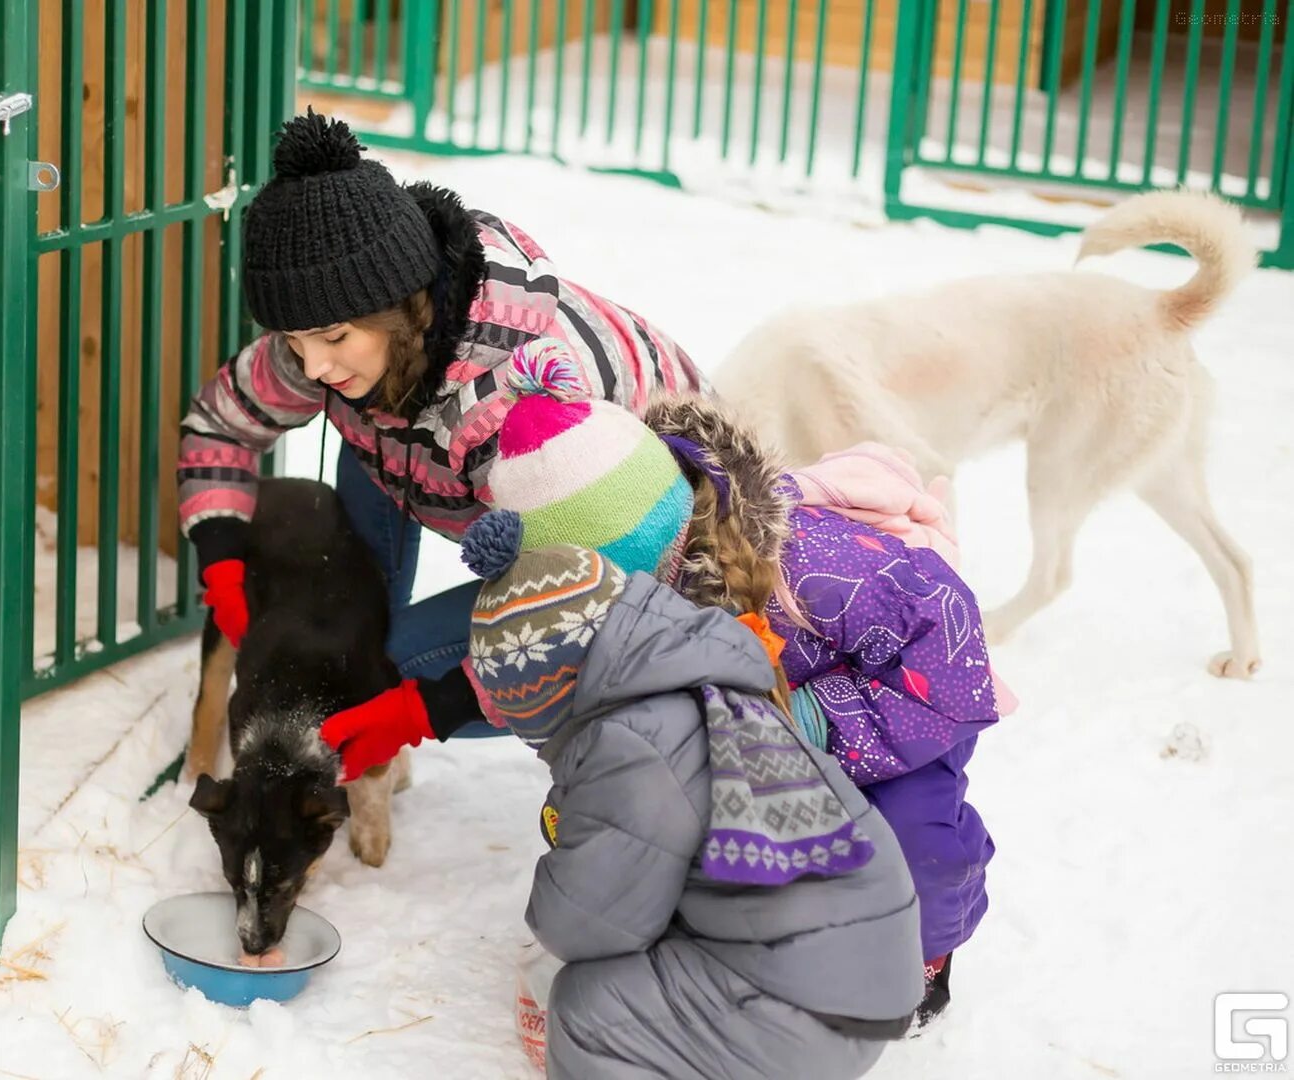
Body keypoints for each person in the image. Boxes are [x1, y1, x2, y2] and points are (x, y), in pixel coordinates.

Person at [176, 110, 704, 770]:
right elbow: (221, 421)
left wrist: (433, 706)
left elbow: (598, 603)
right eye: (294, 341)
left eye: (333, 338)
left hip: (654, 544)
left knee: (393, 664)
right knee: (364, 441)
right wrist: (221, 553)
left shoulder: (517, 409)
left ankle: (388, 683)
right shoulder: (343, 337)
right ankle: (370, 645)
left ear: (400, 308)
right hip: (458, 463)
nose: (311, 366)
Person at [463, 538, 924, 1078]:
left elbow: (588, 924)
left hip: (805, 1009)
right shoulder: (702, 682)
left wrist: (557, 868)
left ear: (553, 693)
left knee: (591, 1010)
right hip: (854, 975)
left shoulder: (632, 742)